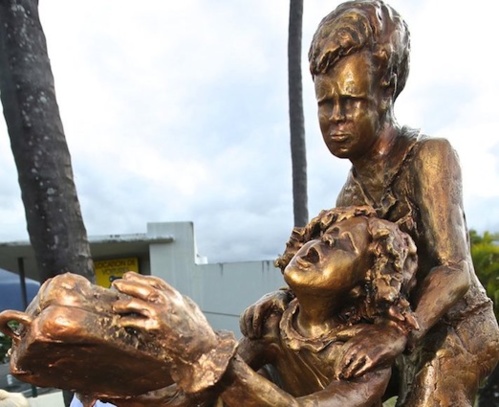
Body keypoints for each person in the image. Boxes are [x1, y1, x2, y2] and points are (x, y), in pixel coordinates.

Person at [240, 1, 499, 406]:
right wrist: (283, 300)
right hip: (388, 330)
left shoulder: (430, 157)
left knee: (427, 395)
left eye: (351, 100)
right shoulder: (350, 195)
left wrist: (396, 334)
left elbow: (453, 269)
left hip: (454, 327)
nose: (336, 118)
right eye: (326, 104)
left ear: (387, 88)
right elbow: (338, 281)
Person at [109, 206, 418, 406]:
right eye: (324, 238)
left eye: (341, 246)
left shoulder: (367, 355)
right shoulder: (275, 323)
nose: (316, 248)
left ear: (363, 284)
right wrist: (116, 385)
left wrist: (203, 348)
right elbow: (201, 393)